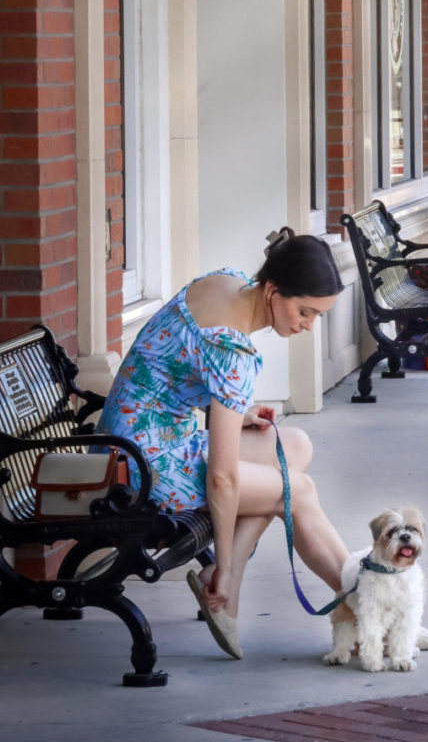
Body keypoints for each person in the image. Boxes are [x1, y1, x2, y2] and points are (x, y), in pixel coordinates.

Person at [96, 229, 348, 659]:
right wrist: (227, 564)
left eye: (318, 316)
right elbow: (223, 479)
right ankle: (371, 603)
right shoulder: (232, 352)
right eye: (305, 311)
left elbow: (178, 370)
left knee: (295, 447)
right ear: (272, 291)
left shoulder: (223, 281)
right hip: (143, 470)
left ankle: (222, 579)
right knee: (296, 490)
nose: (308, 325)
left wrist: (238, 415)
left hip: (128, 445)